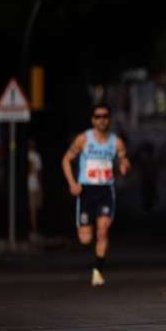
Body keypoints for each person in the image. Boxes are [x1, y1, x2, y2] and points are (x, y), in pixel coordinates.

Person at [61, 103, 129, 286]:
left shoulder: (116, 142)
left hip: (105, 190)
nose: (101, 120)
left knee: (102, 230)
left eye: (105, 116)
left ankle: (97, 271)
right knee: (85, 238)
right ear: (92, 120)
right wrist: (72, 183)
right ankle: (92, 246)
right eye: (98, 116)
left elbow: (123, 159)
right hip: (86, 190)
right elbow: (66, 160)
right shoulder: (83, 139)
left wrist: (124, 165)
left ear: (109, 119)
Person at [27, 139, 43, 239]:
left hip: (33, 185)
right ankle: (33, 230)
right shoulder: (34, 156)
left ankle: (34, 229)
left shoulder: (34, 156)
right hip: (33, 186)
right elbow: (37, 171)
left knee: (34, 209)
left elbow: (38, 171)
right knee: (33, 209)